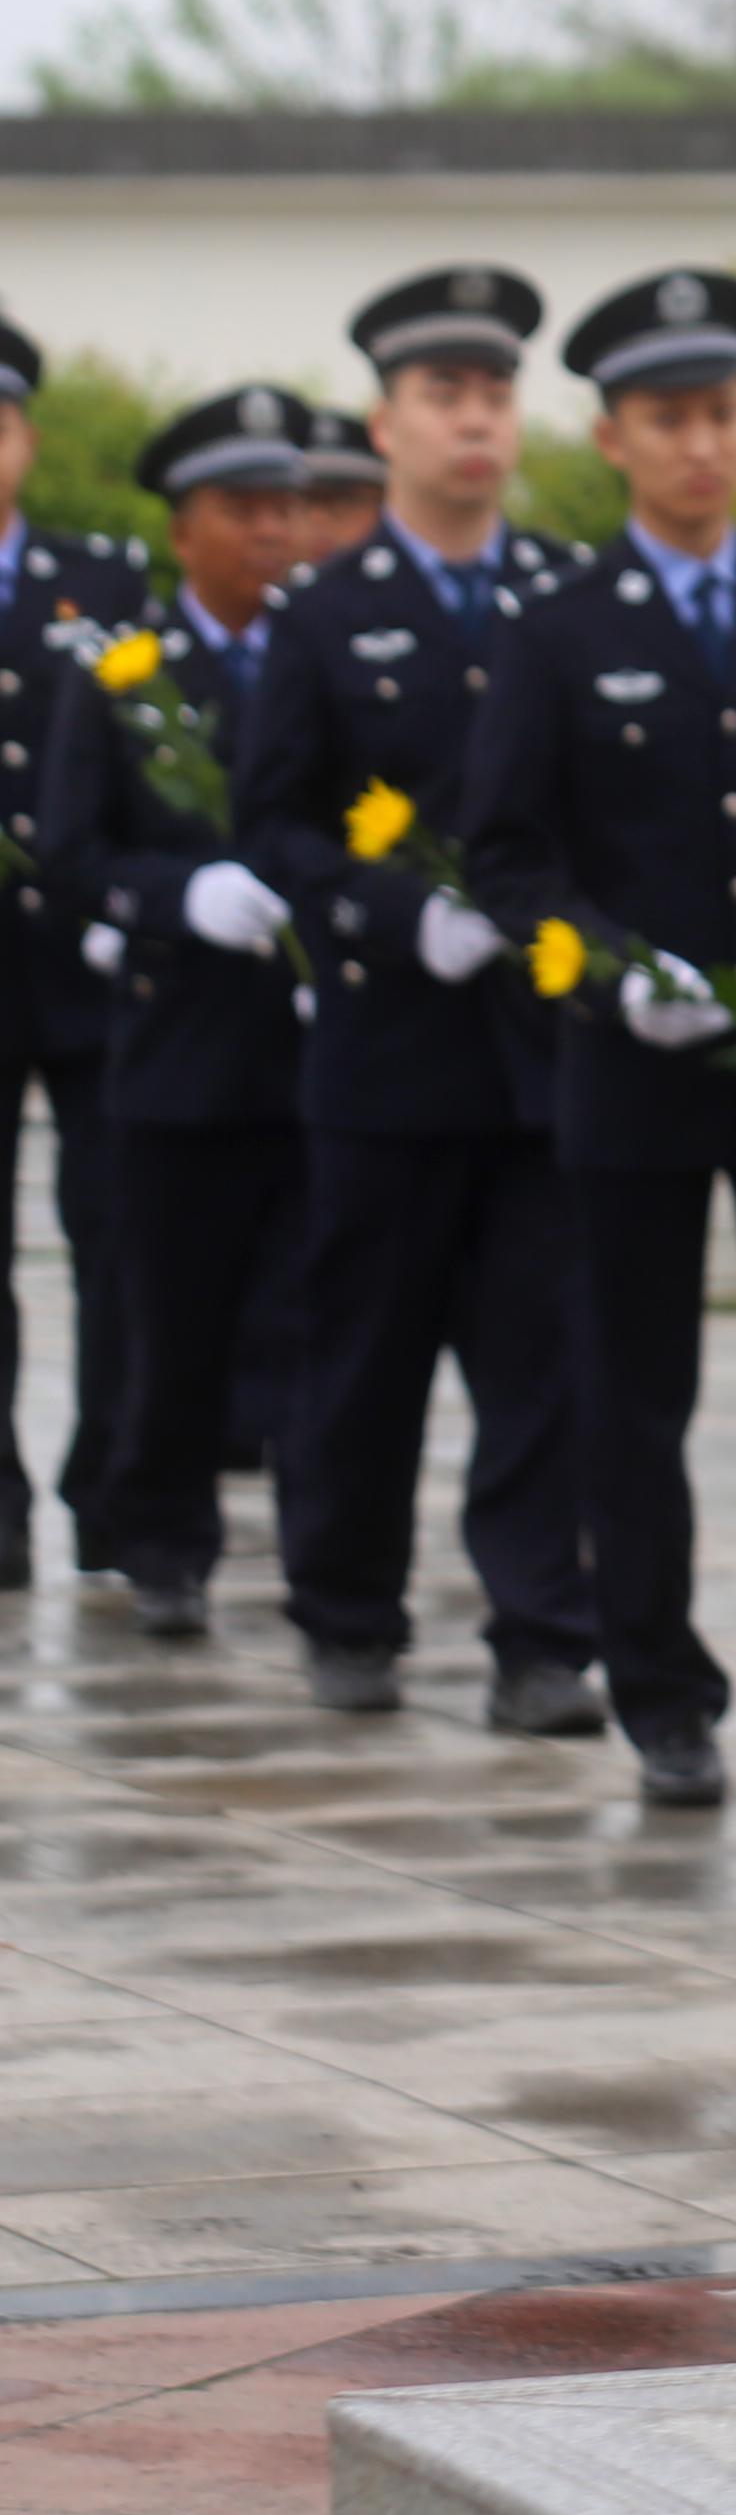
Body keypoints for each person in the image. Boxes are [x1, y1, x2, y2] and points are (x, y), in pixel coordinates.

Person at [466, 270, 736, 1809]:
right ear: (612, 439)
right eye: (668, 420)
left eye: (721, 414)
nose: (702, 446)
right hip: (631, 1071)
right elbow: (509, 865)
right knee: (633, 1396)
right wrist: (609, 975)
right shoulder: (558, 628)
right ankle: (662, 1693)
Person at [238, 267, 596, 1723]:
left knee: (541, 1357)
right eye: (445, 395)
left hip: (538, 1044)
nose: (476, 421)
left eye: (496, 393)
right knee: (364, 1349)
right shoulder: (326, 614)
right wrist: (398, 915)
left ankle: (542, 1636)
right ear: (386, 424)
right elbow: (275, 821)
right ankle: (346, 1610)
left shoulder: (567, 595)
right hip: (390, 1045)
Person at [38, 386, 327, 1638]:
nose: (271, 532)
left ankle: (328, 1555)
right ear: (183, 529)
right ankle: (160, 1537)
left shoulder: (330, 655)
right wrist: (176, 895)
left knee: (319, 1319)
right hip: (181, 1042)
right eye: (242, 509)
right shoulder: (125, 674)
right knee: (170, 1307)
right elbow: (72, 852)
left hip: (318, 1042)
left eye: (285, 509)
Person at [0, 320, 152, 1589]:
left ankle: (113, 1490)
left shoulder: (99, 582)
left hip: (87, 958)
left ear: (27, 441)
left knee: (115, 1237)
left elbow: (145, 752)